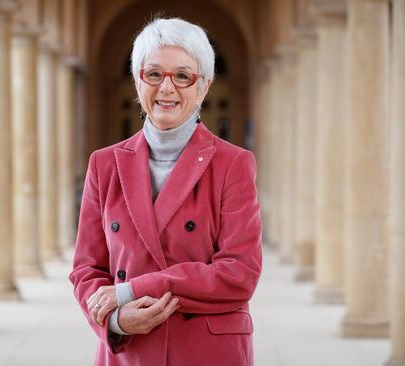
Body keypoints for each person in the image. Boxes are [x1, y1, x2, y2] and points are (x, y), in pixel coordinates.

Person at [69, 17, 262, 366]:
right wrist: (115, 321)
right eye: (154, 74)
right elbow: (87, 270)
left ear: (204, 85)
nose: (167, 88)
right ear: (137, 80)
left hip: (207, 351)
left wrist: (132, 290)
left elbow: (239, 274)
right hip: (130, 352)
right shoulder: (104, 164)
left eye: (183, 76)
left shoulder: (234, 164)